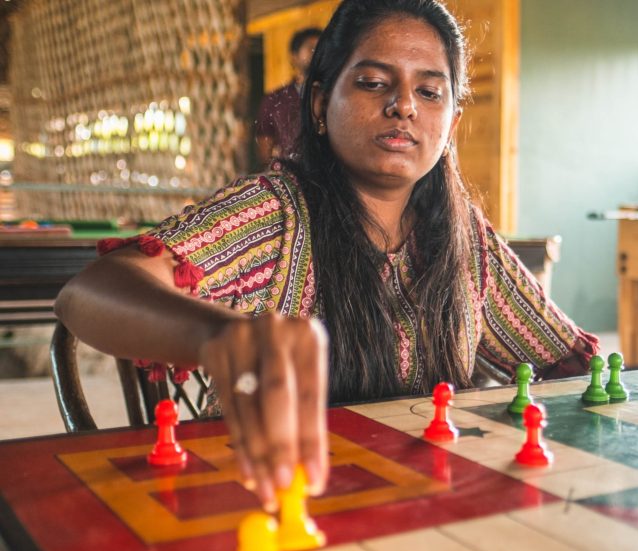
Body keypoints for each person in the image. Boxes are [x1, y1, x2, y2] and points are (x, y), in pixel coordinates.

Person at [55, 0, 598, 513]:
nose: (404, 105)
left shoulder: (467, 241)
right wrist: (223, 336)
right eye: (373, 83)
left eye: (430, 93)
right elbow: (90, 293)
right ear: (318, 104)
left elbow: (571, 366)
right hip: (271, 507)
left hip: (425, 512)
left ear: (451, 123)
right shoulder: (273, 216)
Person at [255, 27, 322, 163]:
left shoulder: (333, 95)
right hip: (289, 175)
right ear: (294, 57)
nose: (318, 54)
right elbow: (264, 148)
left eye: (322, 49)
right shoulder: (274, 100)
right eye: (311, 48)